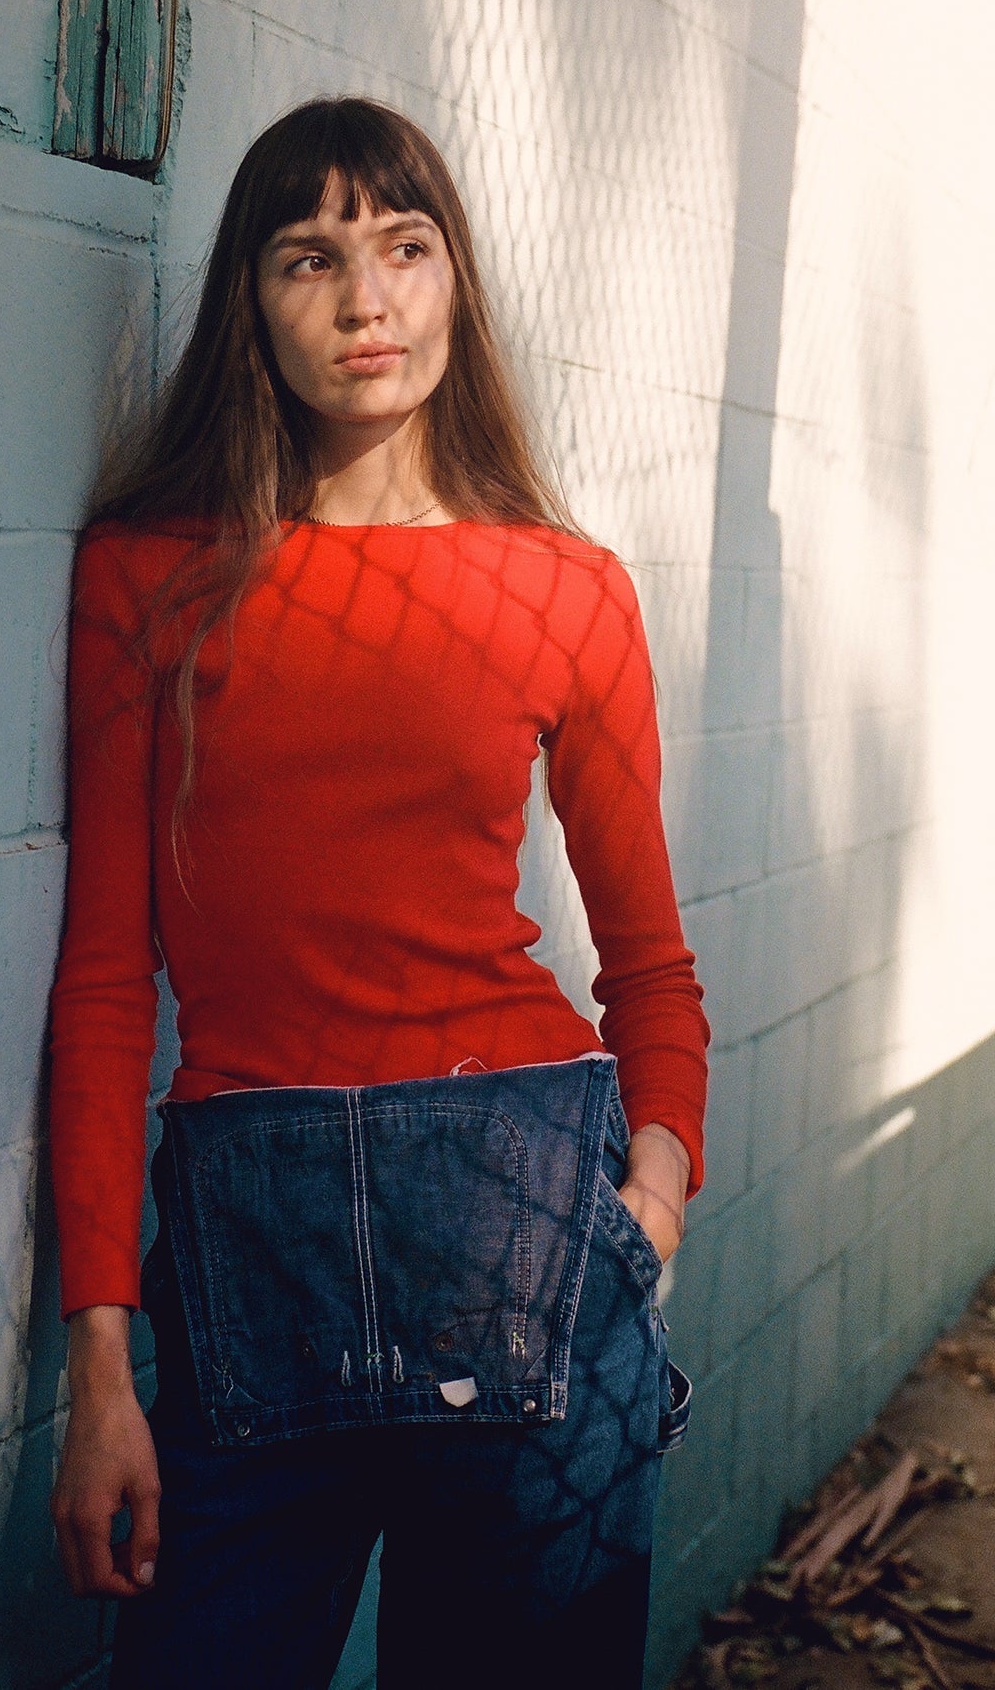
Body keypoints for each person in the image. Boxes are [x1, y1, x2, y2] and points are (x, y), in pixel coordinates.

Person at [48, 95, 710, 1689]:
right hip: (249, 1269)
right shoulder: (149, 574)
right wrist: (101, 1362)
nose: (365, 300)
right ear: (250, 307)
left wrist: (654, 1207)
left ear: (456, 283)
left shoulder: (564, 585)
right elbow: (102, 980)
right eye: (310, 257)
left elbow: (650, 964)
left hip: (531, 1237)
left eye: (406, 248)